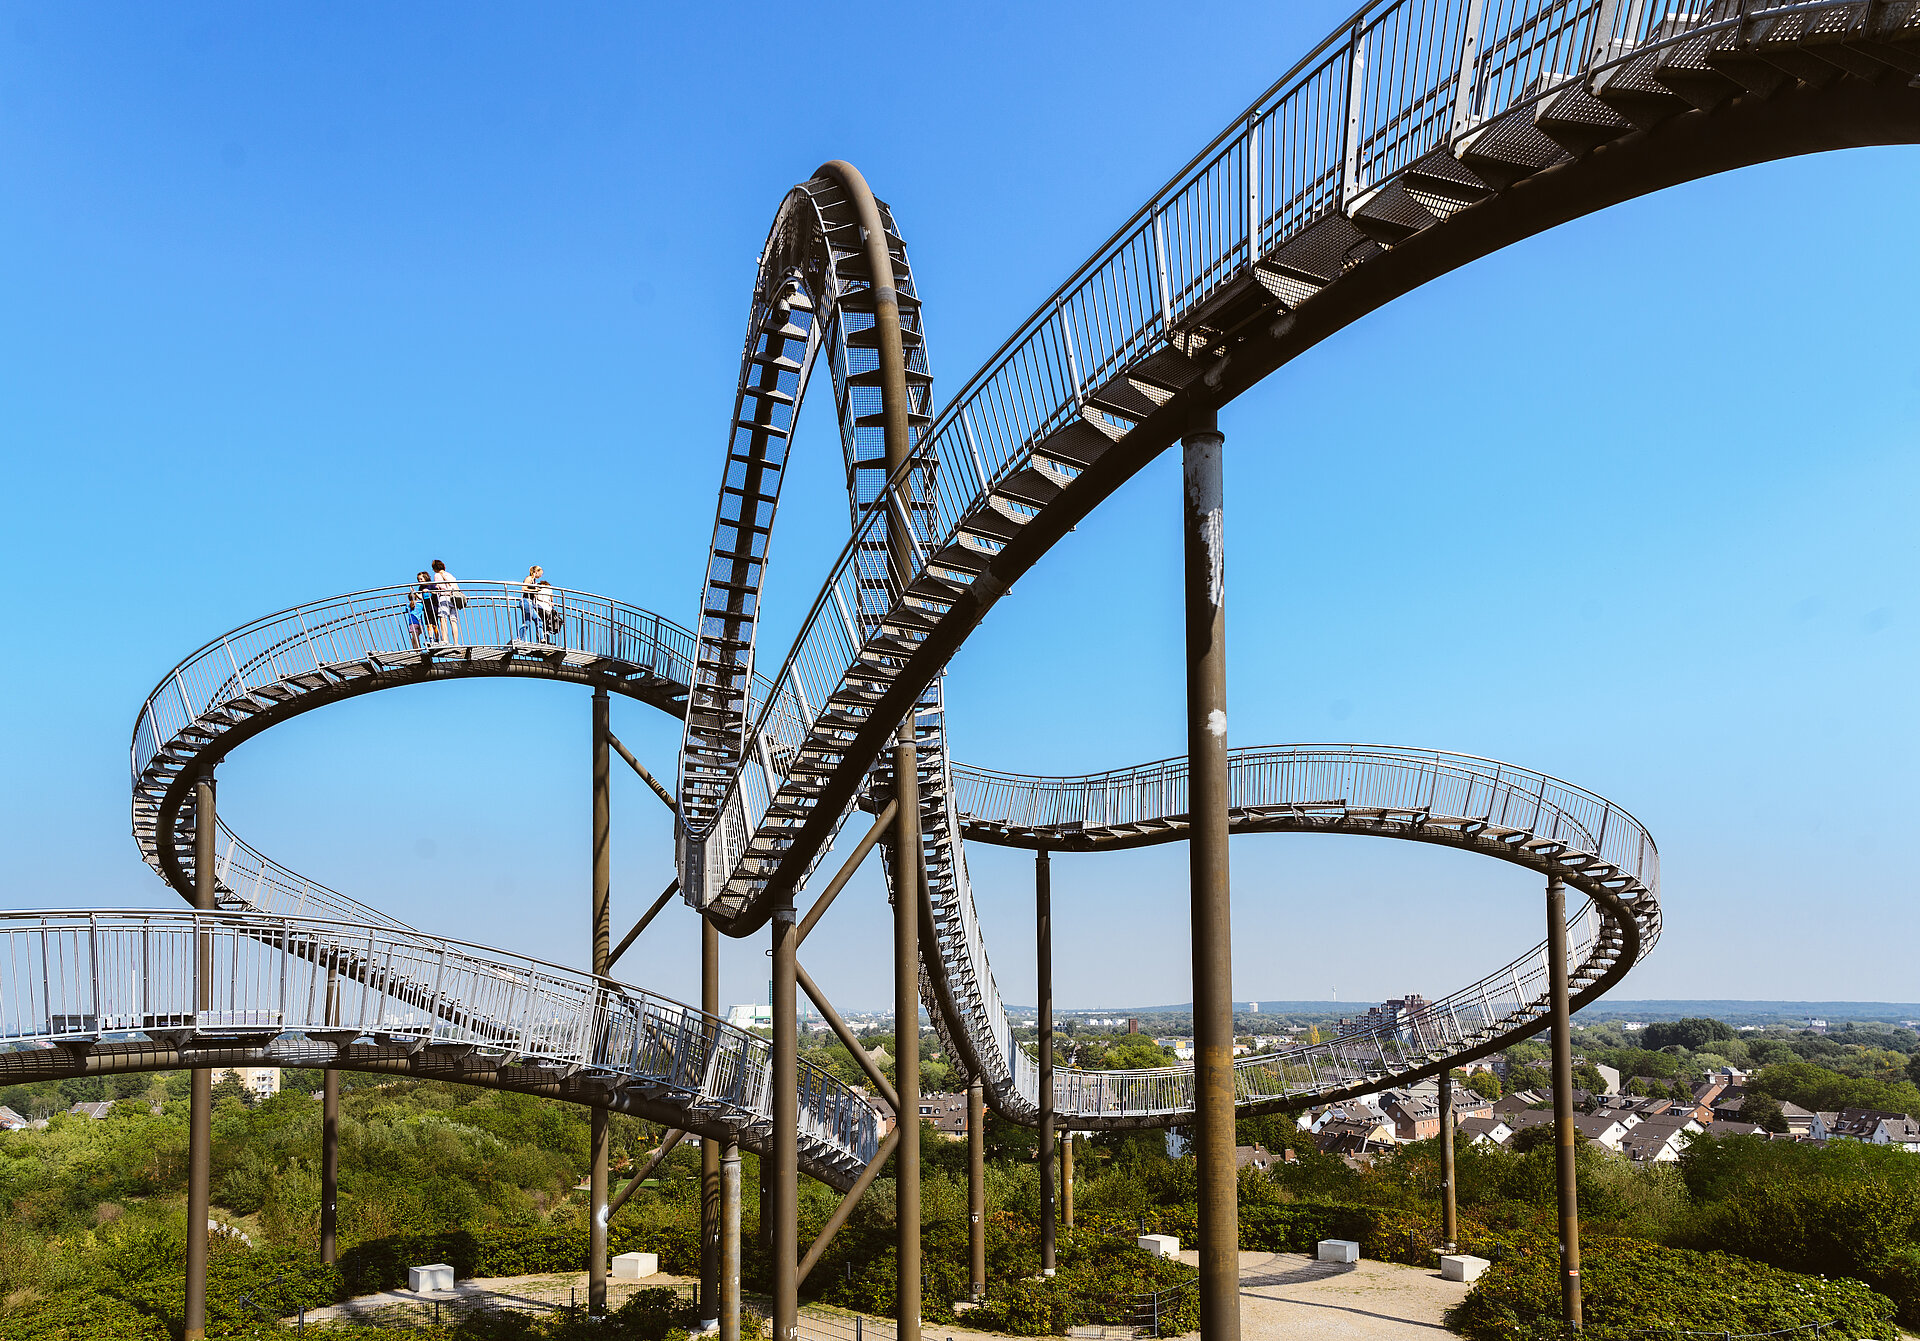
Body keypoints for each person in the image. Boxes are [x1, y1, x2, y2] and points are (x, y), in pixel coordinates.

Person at [429, 559, 462, 644]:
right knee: (453, 620)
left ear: (435, 568)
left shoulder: (437, 575)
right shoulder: (450, 575)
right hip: (453, 599)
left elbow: (438, 588)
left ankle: (445, 640)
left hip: (444, 598)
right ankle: (456, 643)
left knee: (443, 619)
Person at [518, 565, 551, 643]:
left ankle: (542, 639)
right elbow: (524, 588)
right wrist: (535, 590)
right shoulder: (529, 578)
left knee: (539, 620)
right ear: (536, 572)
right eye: (540, 573)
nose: (541, 576)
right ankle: (519, 638)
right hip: (526, 601)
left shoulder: (534, 581)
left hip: (531, 603)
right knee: (527, 622)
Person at [406, 571, 437, 649]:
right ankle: (431, 640)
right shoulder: (421, 588)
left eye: (421, 579)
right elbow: (421, 597)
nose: (420, 581)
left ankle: (437, 640)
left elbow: (436, 592)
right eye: (418, 580)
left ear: (426, 578)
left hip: (433, 607)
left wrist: (429, 591)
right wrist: (415, 592)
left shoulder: (431, 585)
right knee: (428, 625)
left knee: (434, 625)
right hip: (426, 608)